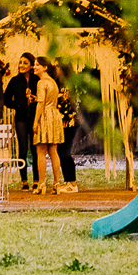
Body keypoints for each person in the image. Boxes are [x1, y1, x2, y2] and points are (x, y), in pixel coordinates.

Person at [3, 53, 39, 189]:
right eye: (20, 63)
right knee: (23, 149)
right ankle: (24, 180)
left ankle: (36, 180)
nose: (21, 65)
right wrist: (18, 104)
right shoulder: (14, 81)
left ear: (31, 65)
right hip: (21, 119)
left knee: (36, 149)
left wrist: (35, 100)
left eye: (25, 63)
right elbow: (6, 99)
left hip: (36, 118)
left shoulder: (37, 79)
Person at [46, 59, 79, 193]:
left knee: (65, 152)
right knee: (61, 151)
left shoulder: (69, 84)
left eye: (57, 66)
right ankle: (68, 181)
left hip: (69, 121)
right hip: (61, 121)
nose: (55, 68)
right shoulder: (58, 83)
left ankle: (72, 182)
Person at [32, 61, 65, 194]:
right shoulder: (53, 82)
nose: (34, 67)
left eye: (37, 65)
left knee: (40, 150)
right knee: (53, 150)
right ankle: (57, 183)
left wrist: (35, 122)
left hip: (45, 115)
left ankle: (41, 183)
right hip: (55, 115)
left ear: (45, 67)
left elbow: (41, 104)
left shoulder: (41, 83)